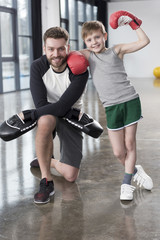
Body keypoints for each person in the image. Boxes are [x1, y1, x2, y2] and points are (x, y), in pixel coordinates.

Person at [80, 10, 153, 200]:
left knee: (130, 143)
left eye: (97, 37)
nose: (94, 42)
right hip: (111, 107)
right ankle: (136, 172)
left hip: (130, 100)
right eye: (89, 40)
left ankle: (126, 184)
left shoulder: (116, 50)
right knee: (118, 152)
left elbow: (144, 41)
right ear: (85, 43)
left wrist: (133, 23)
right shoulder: (87, 56)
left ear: (104, 36)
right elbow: (66, 55)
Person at [26, 26, 89, 204]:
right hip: (48, 113)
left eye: (61, 48)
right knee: (45, 120)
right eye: (51, 49)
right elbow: (41, 105)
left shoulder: (79, 68)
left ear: (67, 48)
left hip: (71, 115)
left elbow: (62, 107)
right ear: (44, 49)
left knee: (70, 176)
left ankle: (47, 160)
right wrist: (37, 114)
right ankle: (46, 180)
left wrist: (29, 115)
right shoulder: (37, 67)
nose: (56, 54)